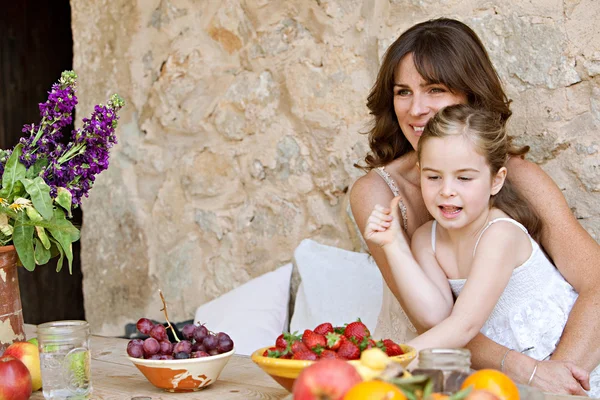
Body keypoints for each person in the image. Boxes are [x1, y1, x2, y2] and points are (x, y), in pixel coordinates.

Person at [349, 18, 600, 395]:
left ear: (470, 96)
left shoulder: (516, 184)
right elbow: (435, 322)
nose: (416, 108)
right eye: (403, 92)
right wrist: (525, 372)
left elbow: (596, 282)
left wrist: (557, 377)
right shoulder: (383, 196)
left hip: (538, 366)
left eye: (435, 89)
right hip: (440, 364)